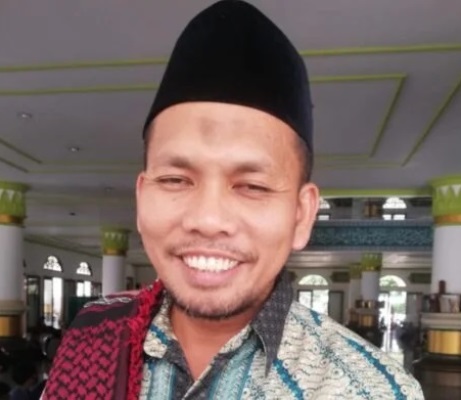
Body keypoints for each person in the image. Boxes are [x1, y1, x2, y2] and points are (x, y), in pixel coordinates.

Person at [42, 1, 424, 399]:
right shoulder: (94, 334)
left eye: (253, 186)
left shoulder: (372, 390)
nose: (208, 219)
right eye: (175, 179)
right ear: (141, 197)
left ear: (301, 215)